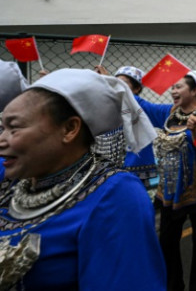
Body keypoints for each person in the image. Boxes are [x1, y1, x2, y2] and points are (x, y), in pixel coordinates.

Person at [0, 69, 164, 289]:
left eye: (14, 128)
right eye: (2, 128)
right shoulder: (15, 181)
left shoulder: (116, 196)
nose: (2, 139)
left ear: (69, 129)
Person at [137, 71, 196, 291]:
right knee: (167, 243)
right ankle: (172, 285)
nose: (173, 91)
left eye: (179, 87)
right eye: (173, 87)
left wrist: (195, 129)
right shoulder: (168, 113)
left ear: (194, 91)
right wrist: (114, 82)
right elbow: (140, 103)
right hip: (169, 190)